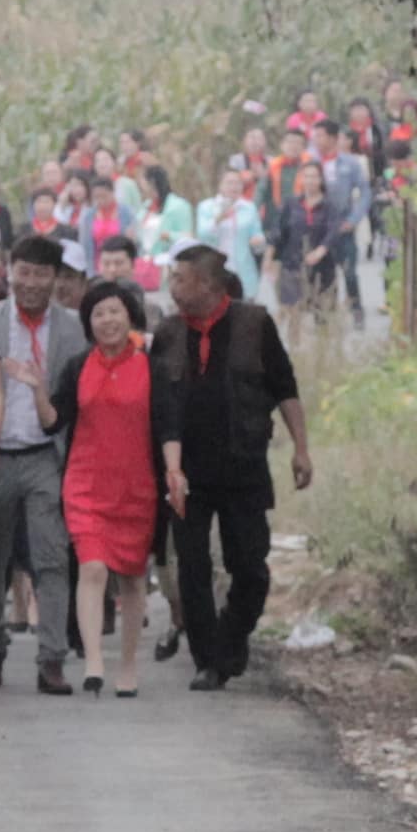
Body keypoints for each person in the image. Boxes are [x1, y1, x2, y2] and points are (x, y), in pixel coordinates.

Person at [149, 242, 308, 688]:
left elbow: (285, 388)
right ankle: (208, 661)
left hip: (243, 465)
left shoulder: (254, 324)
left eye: (180, 278)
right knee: (193, 567)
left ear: (207, 284)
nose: (172, 286)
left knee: (250, 565)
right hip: (186, 472)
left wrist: (301, 449)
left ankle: (233, 635)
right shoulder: (168, 334)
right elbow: (159, 409)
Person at [0, 235, 82, 693]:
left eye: (41, 273)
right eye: (24, 272)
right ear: (10, 272)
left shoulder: (74, 328)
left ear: (56, 278)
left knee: (52, 558)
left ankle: (51, 657)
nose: (31, 283)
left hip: (45, 459)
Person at [50, 277, 163, 693]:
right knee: (93, 567)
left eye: (114, 311)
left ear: (130, 315)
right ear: (88, 322)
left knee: (133, 577)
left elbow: (167, 422)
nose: (107, 320)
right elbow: (54, 420)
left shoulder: (150, 362)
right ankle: (94, 660)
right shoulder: (79, 365)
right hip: (85, 484)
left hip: (137, 486)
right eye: (98, 313)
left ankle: (128, 665)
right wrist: (33, 389)